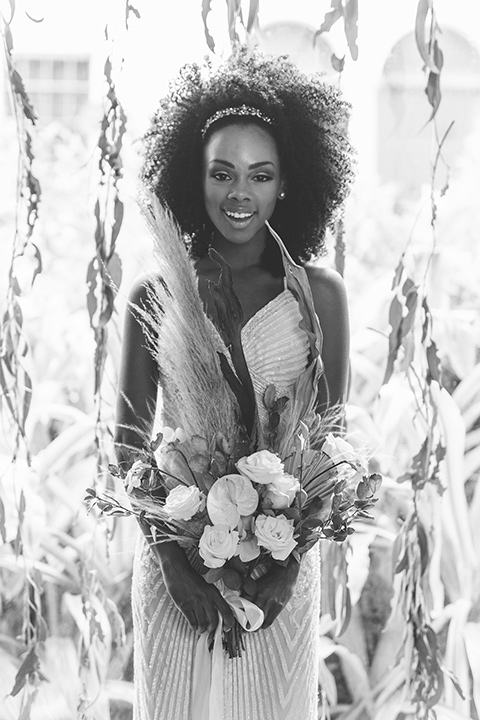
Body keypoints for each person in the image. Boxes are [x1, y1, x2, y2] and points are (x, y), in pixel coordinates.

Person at [115, 47, 353, 720]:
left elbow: (328, 452)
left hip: (283, 573)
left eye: (260, 174)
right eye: (221, 173)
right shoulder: (155, 294)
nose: (239, 193)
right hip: (174, 575)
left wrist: (287, 562)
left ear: (288, 183)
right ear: (195, 180)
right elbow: (127, 449)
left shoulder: (321, 296)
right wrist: (172, 566)